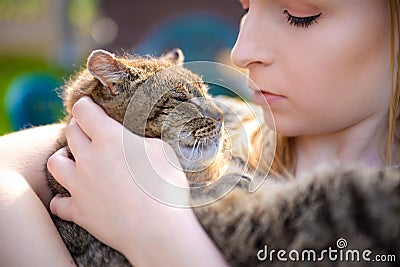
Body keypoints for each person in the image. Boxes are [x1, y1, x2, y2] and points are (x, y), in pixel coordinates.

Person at [0, 0, 398, 266]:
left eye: (298, 13)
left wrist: (161, 238)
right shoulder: (228, 124)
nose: (241, 52)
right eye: (246, 6)